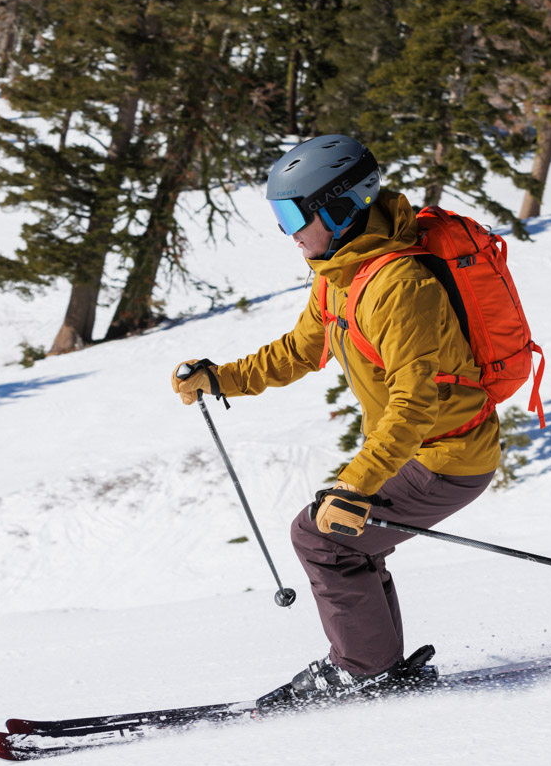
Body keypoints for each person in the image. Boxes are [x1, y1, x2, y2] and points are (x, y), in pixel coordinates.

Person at [171, 135, 500, 705]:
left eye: (295, 216)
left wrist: (355, 484)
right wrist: (222, 378)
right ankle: (376, 664)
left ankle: (364, 667)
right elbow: (300, 350)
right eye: (281, 218)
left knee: (320, 537)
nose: (290, 234)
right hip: (419, 450)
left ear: (341, 208)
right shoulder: (340, 274)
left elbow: (414, 404)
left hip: (449, 456)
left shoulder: (401, 287)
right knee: (341, 539)